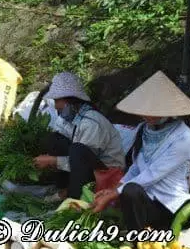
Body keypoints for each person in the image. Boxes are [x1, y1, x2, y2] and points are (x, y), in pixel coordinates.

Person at [91, 71, 190, 233]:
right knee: (131, 191)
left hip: (174, 203)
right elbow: (136, 167)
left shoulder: (184, 137)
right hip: (148, 204)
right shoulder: (143, 130)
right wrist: (117, 187)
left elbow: (153, 173)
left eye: (152, 111)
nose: (145, 115)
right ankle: (140, 240)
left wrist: (114, 193)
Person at [33, 72, 126, 202]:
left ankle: (74, 197)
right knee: (55, 139)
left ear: (71, 101)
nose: (56, 106)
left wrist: (53, 160)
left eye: (57, 101)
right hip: (87, 164)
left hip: (107, 172)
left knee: (77, 150)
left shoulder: (91, 123)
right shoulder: (72, 117)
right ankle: (62, 187)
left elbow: (81, 160)